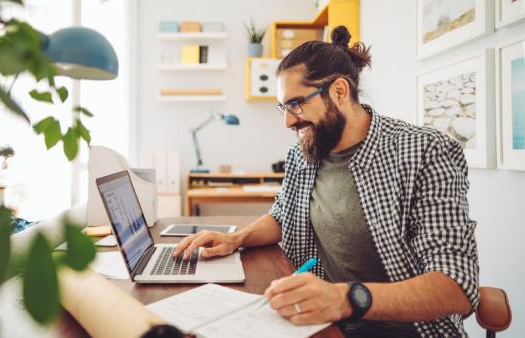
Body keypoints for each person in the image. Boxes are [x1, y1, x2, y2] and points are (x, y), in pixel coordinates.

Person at [173, 25, 478, 338]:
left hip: (402, 328)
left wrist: (345, 299)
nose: (288, 121)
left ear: (340, 92)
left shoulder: (426, 150)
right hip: (324, 317)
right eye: (283, 106)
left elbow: (455, 284)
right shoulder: (305, 151)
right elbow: (282, 215)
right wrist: (237, 238)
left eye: (296, 104)